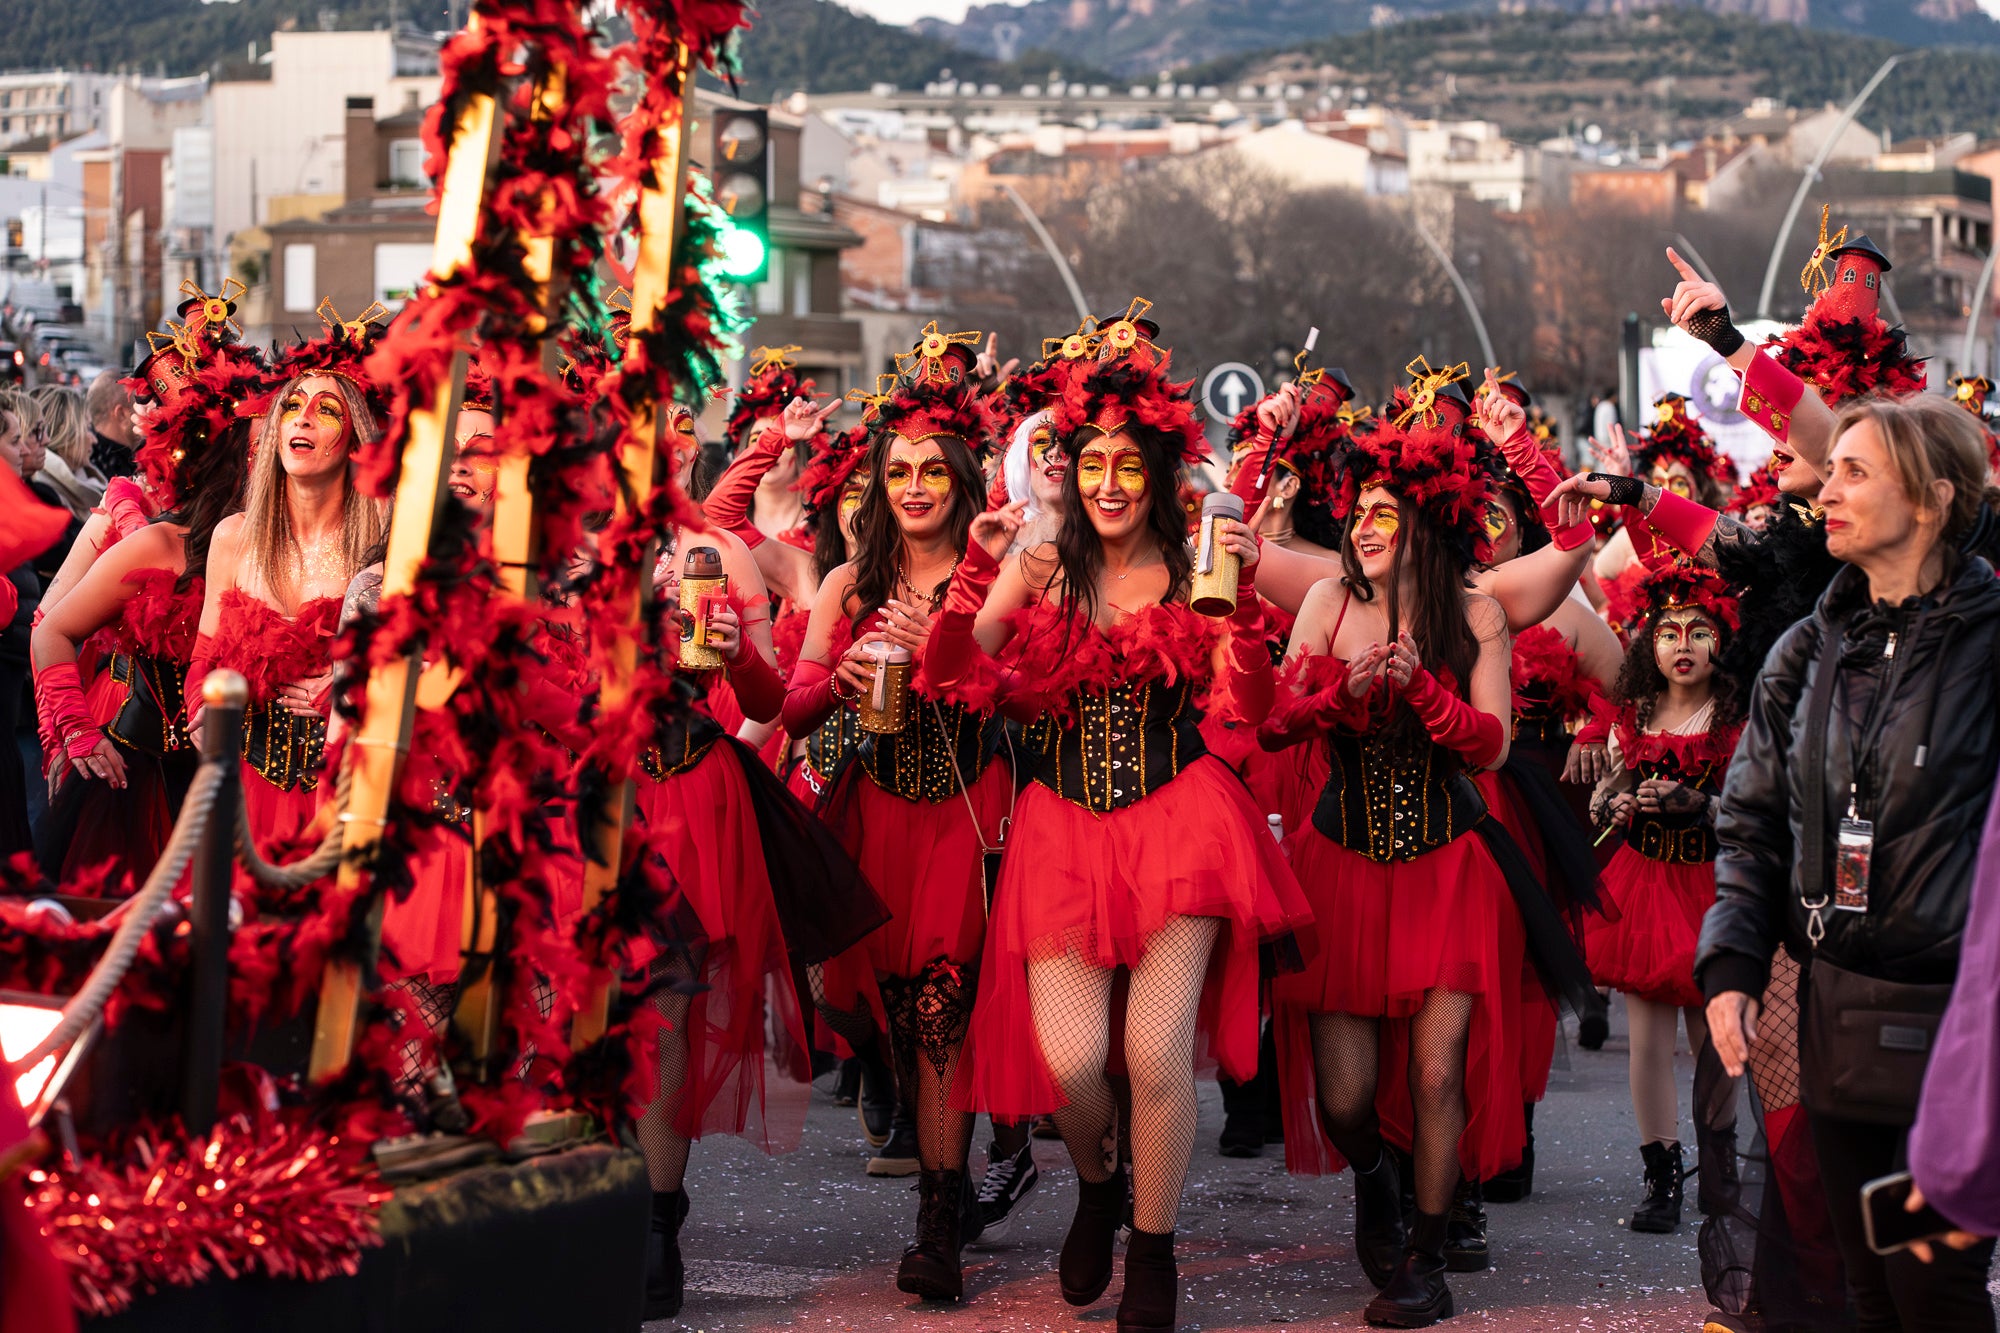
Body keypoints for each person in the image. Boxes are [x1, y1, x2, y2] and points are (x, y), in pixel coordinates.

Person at [926, 306, 1307, 1333]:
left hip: (1178, 825)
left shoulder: (1201, 571)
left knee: (1150, 1054)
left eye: (1123, 462)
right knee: (1067, 1064)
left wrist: (1239, 630)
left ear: (1158, 471)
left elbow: (1254, 716)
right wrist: (972, 569)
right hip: (1058, 831)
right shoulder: (1038, 565)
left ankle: (1154, 1242)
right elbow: (948, 672)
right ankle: (1097, 1181)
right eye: (1085, 457)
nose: (1102, 479)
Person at [1696, 393, 2000, 1333]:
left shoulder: (1990, 644)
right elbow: (1749, 825)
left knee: (1933, 1290)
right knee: (1864, 1288)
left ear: (1933, 499)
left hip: (1960, 1023)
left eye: (1855, 472)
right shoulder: (1806, 649)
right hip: (1837, 1010)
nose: (1826, 490)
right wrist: (1733, 968)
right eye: (1830, 471)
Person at [1258, 364, 1522, 1328]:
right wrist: (1347, 694)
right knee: (1344, 1098)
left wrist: (1423, 693)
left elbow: (1495, 743)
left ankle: (1426, 1250)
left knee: (1439, 1070)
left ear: (1427, 519)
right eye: (1358, 507)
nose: (1364, 524)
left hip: (1449, 867)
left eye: (1383, 509)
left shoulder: (1477, 612)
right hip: (1340, 863)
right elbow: (1277, 721)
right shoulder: (1326, 601)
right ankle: (1376, 1176)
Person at [781, 329, 1013, 1303]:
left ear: (962, 480)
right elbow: (790, 709)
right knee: (877, 1007)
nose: (913, 485)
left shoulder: (994, 575)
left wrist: (946, 648)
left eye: (930, 469)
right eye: (897, 471)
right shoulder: (847, 581)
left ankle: (937, 1220)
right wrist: (836, 678)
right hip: (877, 811)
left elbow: (1017, 692)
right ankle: (950, 1179)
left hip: (967, 808)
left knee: (941, 1008)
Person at [1585, 563, 1743, 1236]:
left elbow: (1750, 806)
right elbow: (1603, 794)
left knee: (1715, 1039)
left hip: (1709, 888)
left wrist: (1699, 803)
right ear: (1650, 643)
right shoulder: (1635, 715)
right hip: (1644, 885)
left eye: (1699, 630)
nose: (1683, 644)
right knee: (1647, 1041)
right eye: (1669, 631)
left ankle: (1722, 1162)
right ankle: (1662, 1175)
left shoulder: (1734, 720)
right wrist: (1618, 799)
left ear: (1720, 642)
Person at [187, 368, 389, 856]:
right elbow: (203, 657)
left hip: (346, 794)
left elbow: (419, 666)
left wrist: (345, 690)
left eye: (326, 410)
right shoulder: (234, 537)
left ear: (356, 440)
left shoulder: (391, 536)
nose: (303, 419)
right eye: (292, 407)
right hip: (246, 794)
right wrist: (203, 711)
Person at [85, 369, 138, 480]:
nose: (148, 415)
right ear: (121, 415)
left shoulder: (89, 460)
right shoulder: (107, 473)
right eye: (139, 406)